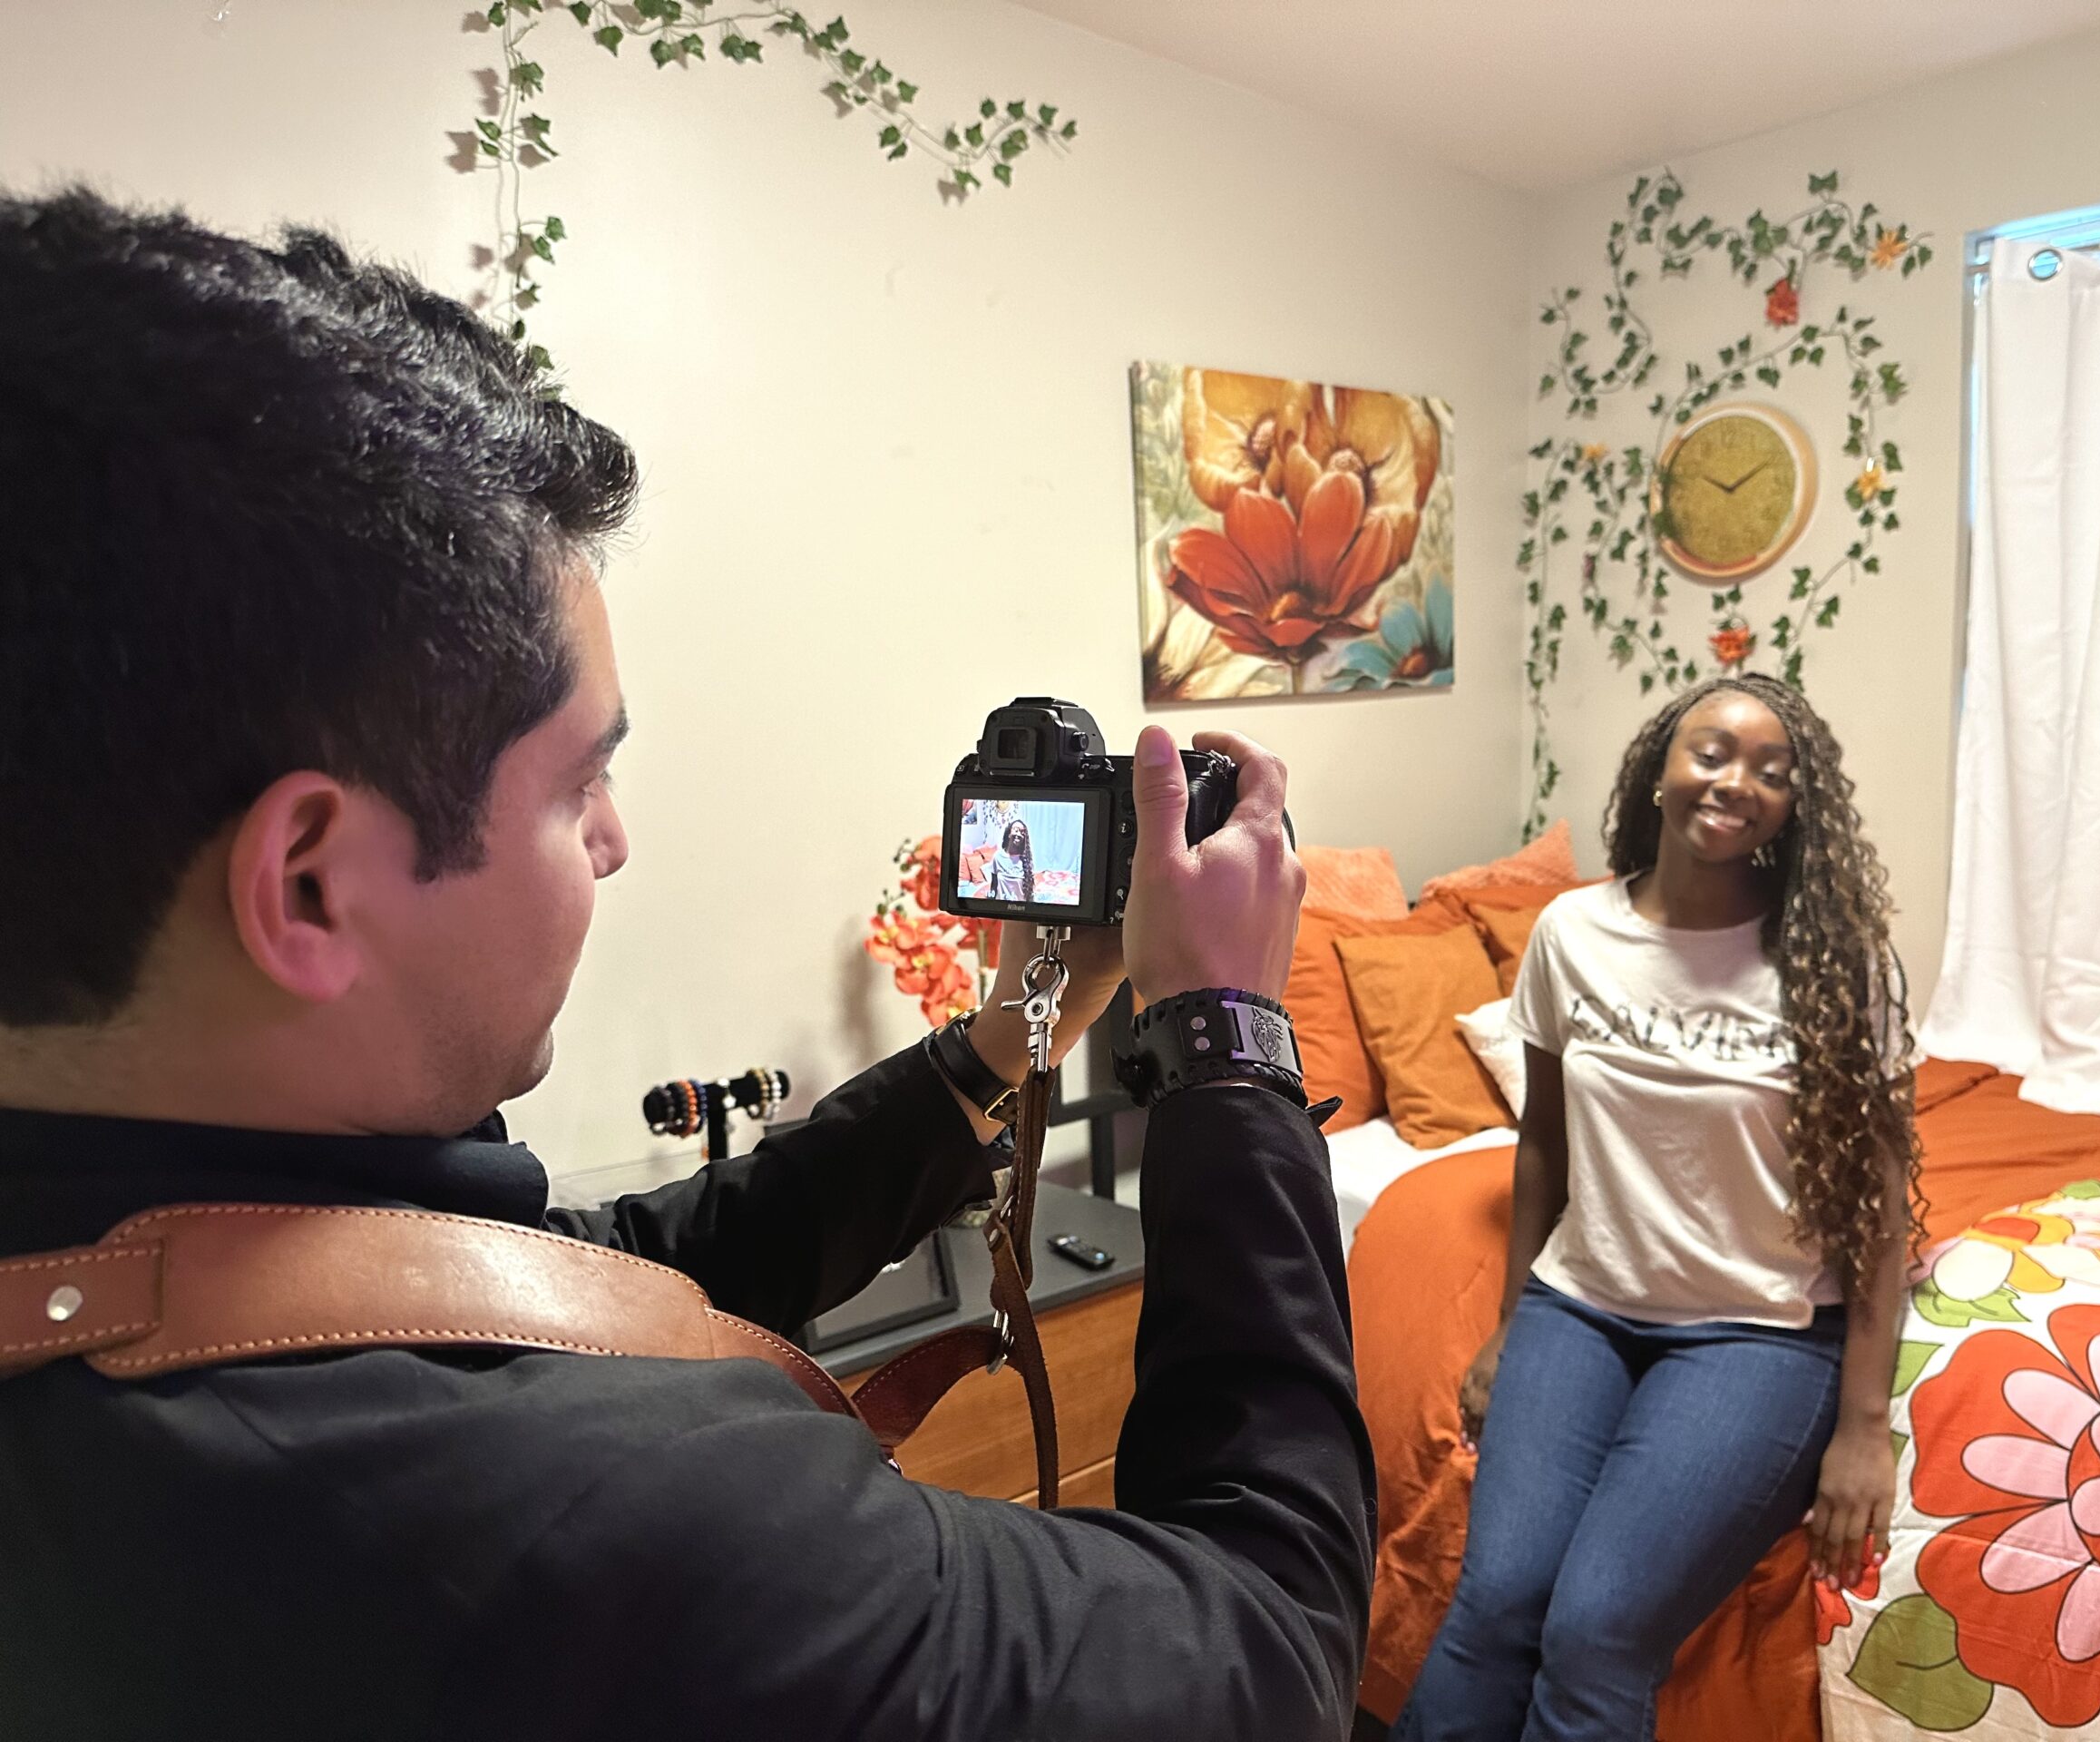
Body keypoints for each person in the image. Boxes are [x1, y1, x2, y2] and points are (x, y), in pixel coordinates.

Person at [0, 189, 1372, 1739]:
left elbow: (591, 1278)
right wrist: (1231, 1037)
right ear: (310, 883)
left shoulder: (186, 1265)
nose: (613, 841)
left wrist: (1005, 1039)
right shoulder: (607, 1517)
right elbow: (1265, 1638)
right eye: (579, 782)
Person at [1395, 674, 1920, 1742]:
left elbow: (1874, 1208)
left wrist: (1864, 1426)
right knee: (1493, 1607)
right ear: (1660, 766)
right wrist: (1508, 1325)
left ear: (1796, 807)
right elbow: (1542, 1142)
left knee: (1595, 1632)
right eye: (1713, 752)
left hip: (1757, 1337)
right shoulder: (1570, 933)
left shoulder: (1831, 964)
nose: (1737, 784)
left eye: (1775, 773)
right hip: (1579, 1312)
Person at [987, 815, 1035, 901]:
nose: (1018, 834)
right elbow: (993, 886)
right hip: (1001, 909)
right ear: (1009, 833)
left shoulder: (1026, 860)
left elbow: (1030, 894)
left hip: (1020, 910)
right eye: (1016, 830)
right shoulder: (998, 857)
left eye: (1022, 833)